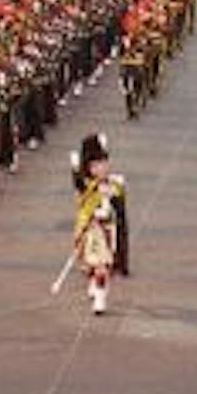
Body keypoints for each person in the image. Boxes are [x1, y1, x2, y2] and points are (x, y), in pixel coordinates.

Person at [68, 132, 130, 314]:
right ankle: (94, 282)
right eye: (96, 165)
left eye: (103, 164)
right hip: (90, 229)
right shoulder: (86, 185)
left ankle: (101, 296)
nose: (101, 168)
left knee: (102, 265)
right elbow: (79, 188)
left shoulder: (114, 184)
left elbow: (119, 208)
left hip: (106, 230)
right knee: (91, 264)